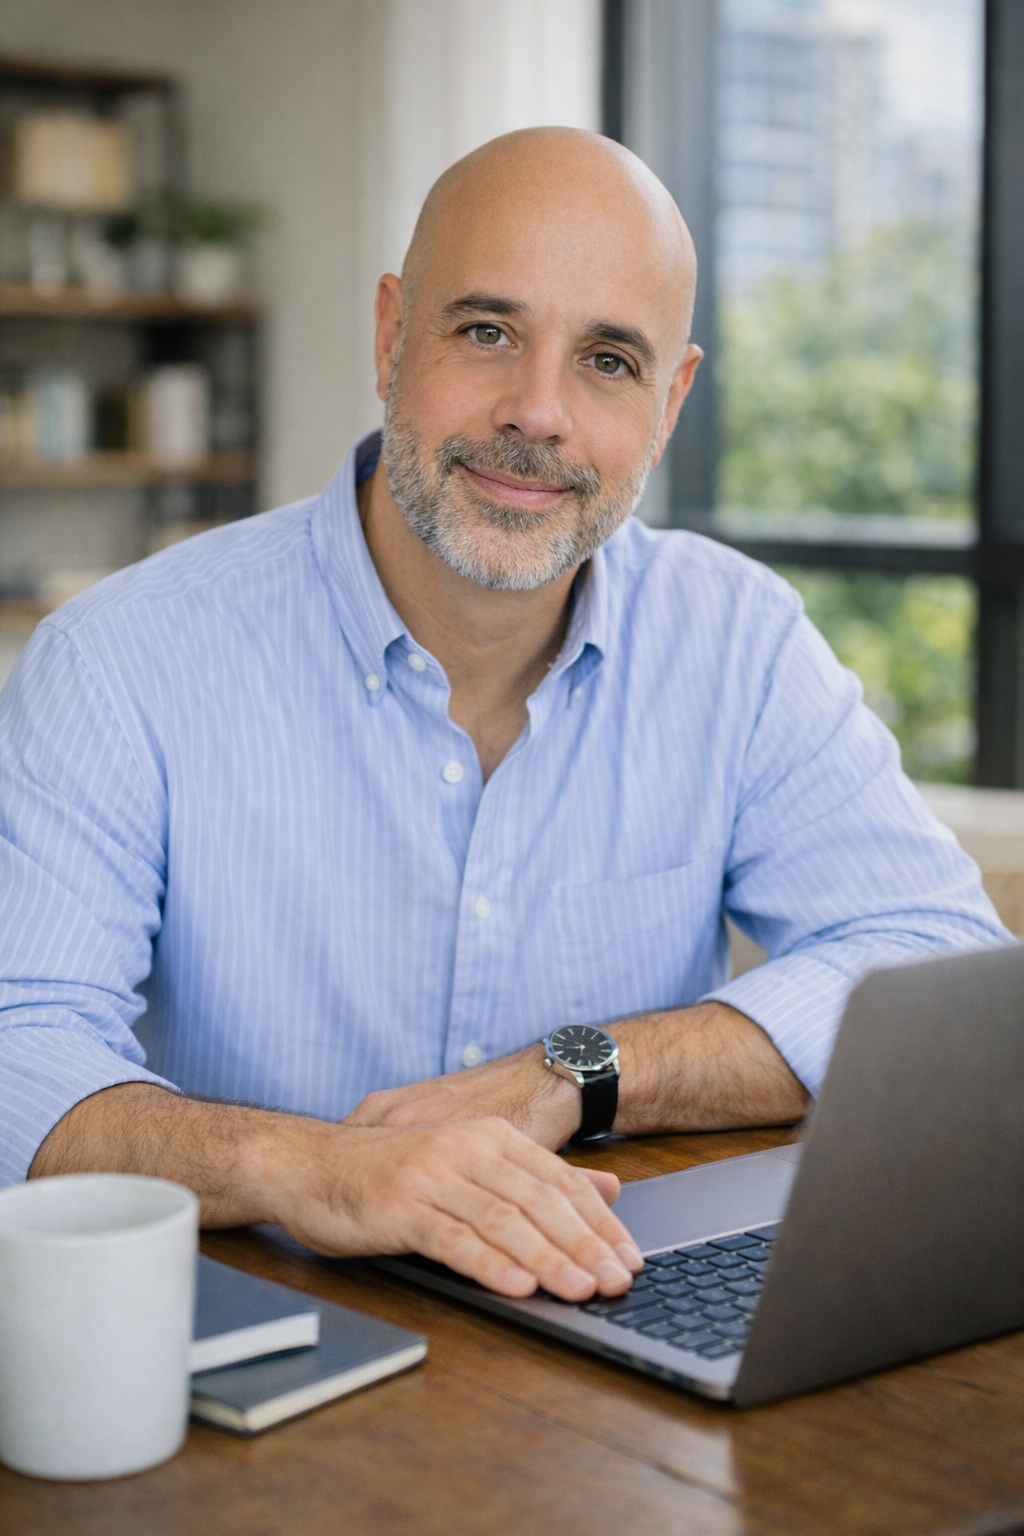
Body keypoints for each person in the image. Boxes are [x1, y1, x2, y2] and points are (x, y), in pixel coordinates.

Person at [0, 129, 1006, 1306]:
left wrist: (578, 1071)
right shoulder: (119, 661)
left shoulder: (739, 641)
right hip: (256, 1334)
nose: (539, 413)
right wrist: (304, 1165)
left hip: (598, 1310)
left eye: (608, 360)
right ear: (389, 336)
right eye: (487, 333)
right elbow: (20, 1045)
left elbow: (935, 957)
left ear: (670, 401)